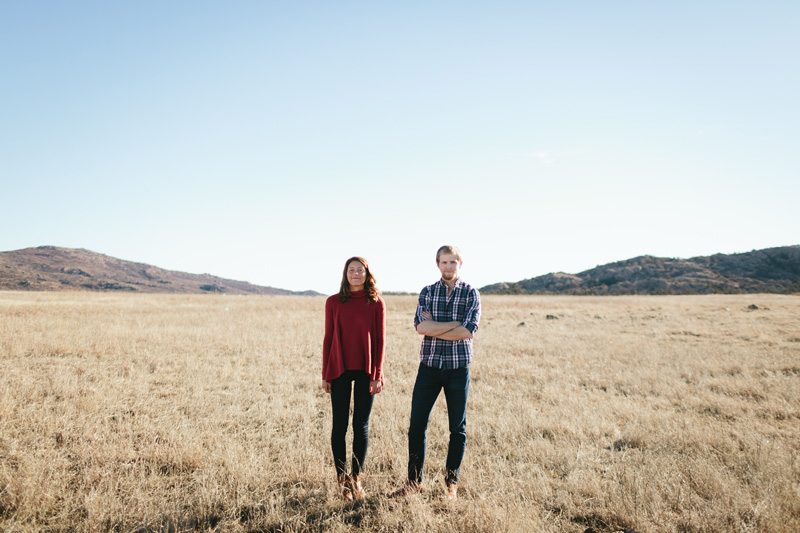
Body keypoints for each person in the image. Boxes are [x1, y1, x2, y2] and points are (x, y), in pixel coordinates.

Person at [392, 245, 481, 501]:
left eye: (453, 262)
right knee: (417, 426)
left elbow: (468, 331)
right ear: (438, 264)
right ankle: (413, 482)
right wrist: (454, 325)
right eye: (444, 262)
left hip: (457, 368)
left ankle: (451, 483)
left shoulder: (471, 293)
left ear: (460, 264)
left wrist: (437, 327)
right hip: (429, 368)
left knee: (457, 428)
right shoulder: (428, 292)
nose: (449, 267)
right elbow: (421, 327)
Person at [322, 256, 386, 500]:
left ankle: (356, 478)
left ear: (367, 273)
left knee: (361, 425)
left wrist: (377, 374)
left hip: (366, 370)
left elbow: (380, 341)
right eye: (352, 270)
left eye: (360, 270)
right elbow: (328, 338)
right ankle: (341, 480)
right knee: (340, 425)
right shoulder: (333, 302)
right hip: (339, 368)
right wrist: (325, 373)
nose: (356, 274)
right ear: (345, 274)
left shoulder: (376, 302)